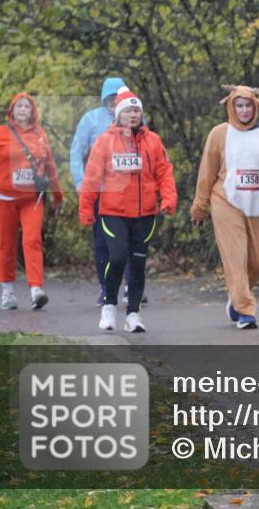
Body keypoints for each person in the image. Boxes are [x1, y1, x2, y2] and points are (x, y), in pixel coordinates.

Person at [79, 87, 176, 333]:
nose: (133, 115)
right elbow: (92, 177)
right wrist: (86, 208)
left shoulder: (153, 141)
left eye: (136, 110)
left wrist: (168, 198)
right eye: (128, 110)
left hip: (144, 214)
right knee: (118, 256)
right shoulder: (104, 141)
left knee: (138, 263)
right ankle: (109, 305)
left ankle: (133, 314)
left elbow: (164, 172)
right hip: (112, 212)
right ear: (118, 114)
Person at [191, 85, 259, 330]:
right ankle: (245, 311)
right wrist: (200, 207)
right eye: (239, 106)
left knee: (257, 263)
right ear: (231, 107)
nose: (243, 110)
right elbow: (206, 173)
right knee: (235, 258)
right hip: (226, 202)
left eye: (248, 106)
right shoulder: (220, 134)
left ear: (256, 107)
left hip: (258, 205)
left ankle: (236, 298)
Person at [0, 92, 64, 310]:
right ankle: (7, 293)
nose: (23, 110)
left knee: (32, 239)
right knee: (6, 244)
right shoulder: (1, 133)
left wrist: (58, 195)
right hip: (3, 198)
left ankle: (36, 289)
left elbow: (50, 166)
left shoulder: (40, 135)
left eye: (27, 107)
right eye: (19, 107)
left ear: (32, 111)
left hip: (31, 199)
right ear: (12, 111)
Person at [70, 76, 137, 307]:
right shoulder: (91, 120)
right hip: (100, 191)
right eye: (110, 97)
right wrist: (80, 181)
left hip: (130, 191)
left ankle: (130, 285)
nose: (114, 101)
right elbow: (76, 151)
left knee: (129, 239)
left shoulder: (135, 117)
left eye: (117, 97)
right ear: (104, 98)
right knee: (102, 243)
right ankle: (106, 287)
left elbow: (148, 150)